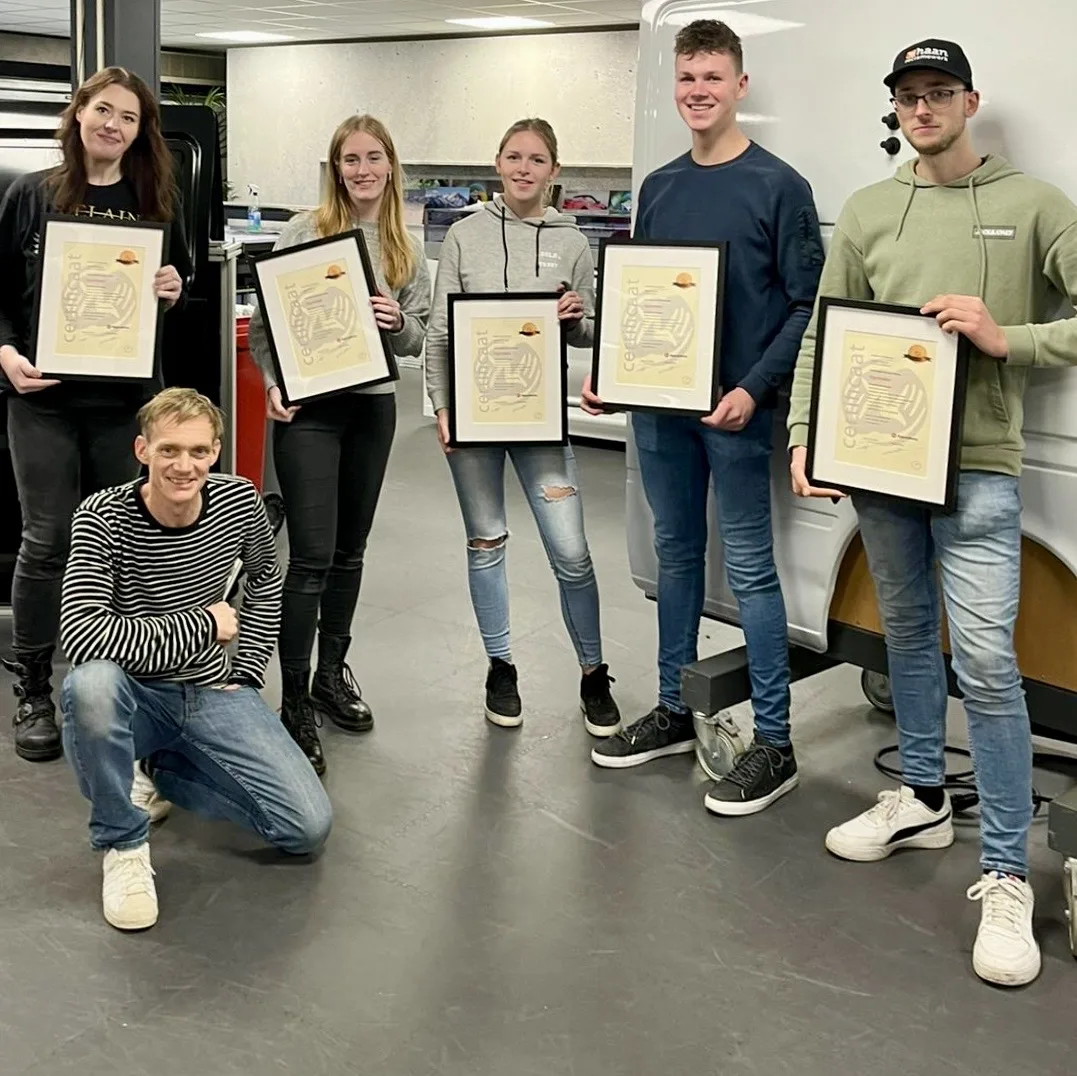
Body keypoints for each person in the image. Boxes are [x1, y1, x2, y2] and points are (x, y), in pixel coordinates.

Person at [787, 39, 1077, 987]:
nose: (922, 108)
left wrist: (1008, 337)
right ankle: (920, 795)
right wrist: (805, 431)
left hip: (979, 469)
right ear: (897, 109)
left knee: (986, 666)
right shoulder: (869, 209)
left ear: (969, 101)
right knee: (907, 636)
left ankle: (1006, 873)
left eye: (938, 92)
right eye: (908, 96)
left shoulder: (1034, 204)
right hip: (878, 465)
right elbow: (825, 328)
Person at [582, 20, 824, 817]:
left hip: (734, 415)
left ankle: (774, 744)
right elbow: (641, 297)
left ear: (739, 85)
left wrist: (753, 388)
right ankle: (673, 710)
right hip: (660, 414)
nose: (698, 91)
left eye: (712, 77)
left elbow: (805, 307)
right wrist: (612, 373)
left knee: (750, 569)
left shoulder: (778, 186)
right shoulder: (658, 186)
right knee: (676, 556)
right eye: (687, 78)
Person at [58, 387, 332, 931]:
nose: (184, 466)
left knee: (304, 828)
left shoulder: (239, 502)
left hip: (210, 690)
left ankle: (158, 768)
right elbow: (83, 636)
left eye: (198, 451)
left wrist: (248, 669)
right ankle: (123, 842)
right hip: (133, 694)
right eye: (168, 450)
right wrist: (204, 624)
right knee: (90, 685)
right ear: (143, 450)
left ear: (215, 452)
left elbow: (266, 577)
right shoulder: (101, 516)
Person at [0, 66, 192, 764]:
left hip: (125, 404)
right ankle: (33, 687)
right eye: (103, 110)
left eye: (129, 117)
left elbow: (181, 279)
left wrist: (173, 284)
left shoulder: (154, 200)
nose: (113, 124)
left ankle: (123, 683)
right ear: (78, 113)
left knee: (124, 544)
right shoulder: (31, 194)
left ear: (140, 132)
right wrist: (5, 353)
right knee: (47, 540)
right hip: (42, 402)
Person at [424, 117, 621, 734]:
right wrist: (442, 406)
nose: (524, 169)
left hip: (539, 419)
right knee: (486, 542)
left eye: (537, 160)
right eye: (514, 157)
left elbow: (589, 331)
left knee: (572, 552)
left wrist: (577, 316)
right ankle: (500, 666)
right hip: (474, 415)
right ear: (498, 163)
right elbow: (440, 331)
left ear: (554, 170)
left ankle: (593, 673)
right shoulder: (465, 235)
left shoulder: (574, 243)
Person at [249, 114, 430, 776]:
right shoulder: (304, 232)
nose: (362, 170)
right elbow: (265, 328)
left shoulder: (405, 246)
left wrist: (398, 321)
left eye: (373, 158)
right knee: (311, 557)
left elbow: (419, 338)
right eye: (350, 159)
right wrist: (274, 382)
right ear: (336, 168)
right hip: (310, 412)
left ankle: (331, 675)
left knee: (351, 553)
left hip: (371, 411)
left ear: (390, 165)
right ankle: (294, 698)